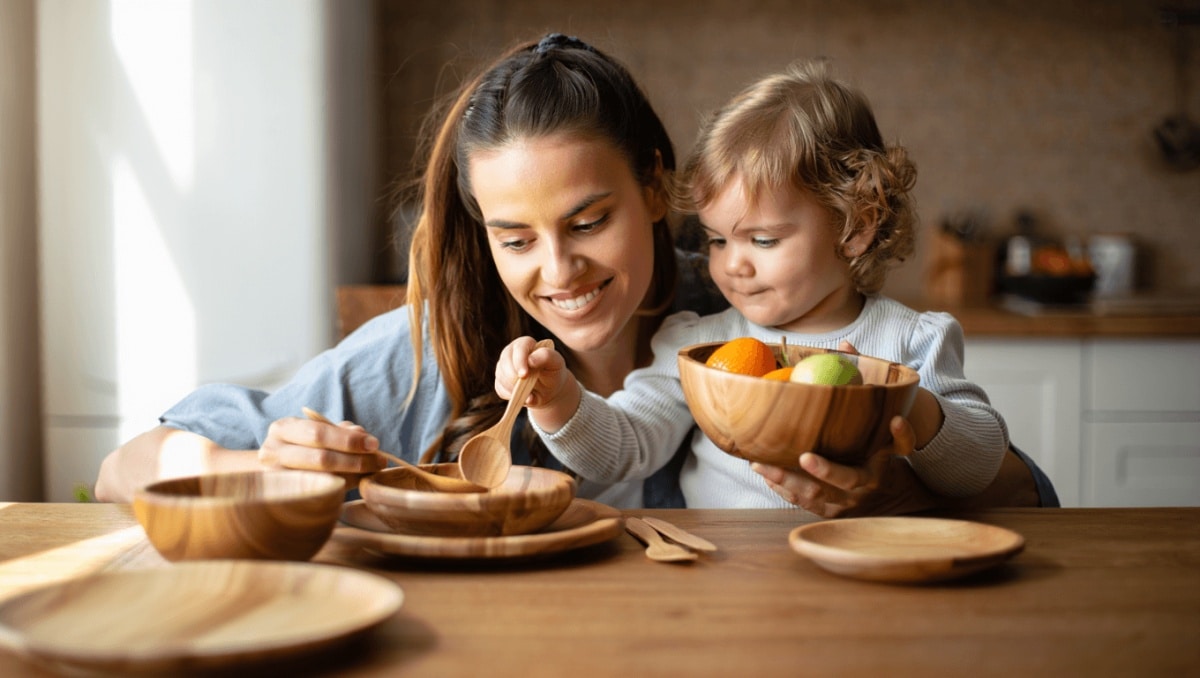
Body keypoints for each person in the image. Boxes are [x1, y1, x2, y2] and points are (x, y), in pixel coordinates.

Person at [95, 35, 1054, 515]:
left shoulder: (732, 321)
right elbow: (122, 471)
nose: (559, 272)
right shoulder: (436, 347)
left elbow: (1031, 503)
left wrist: (888, 483)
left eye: (590, 220)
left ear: (654, 187)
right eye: (516, 238)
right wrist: (258, 466)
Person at [494, 60, 1048, 511]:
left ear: (857, 225)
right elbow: (626, 447)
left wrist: (914, 409)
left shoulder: (911, 344)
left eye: (761, 241)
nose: (732, 266)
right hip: (724, 588)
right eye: (715, 241)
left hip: (867, 588)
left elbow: (978, 466)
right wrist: (559, 401)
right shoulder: (699, 347)